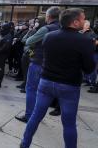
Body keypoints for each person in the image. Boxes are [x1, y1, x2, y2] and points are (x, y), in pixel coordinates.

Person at [20, 8, 95, 148]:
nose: (85, 21)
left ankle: (25, 144)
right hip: (69, 86)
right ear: (75, 22)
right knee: (69, 123)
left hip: (46, 82)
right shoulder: (85, 41)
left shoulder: (50, 36)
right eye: (83, 18)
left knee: (36, 116)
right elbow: (89, 69)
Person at [15, 6, 60, 123]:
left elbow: (29, 41)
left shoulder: (46, 29)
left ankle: (29, 115)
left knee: (31, 89)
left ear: (48, 16)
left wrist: (31, 34)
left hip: (39, 62)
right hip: (53, 65)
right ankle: (38, 116)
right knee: (44, 93)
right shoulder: (62, 28)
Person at [0, 23, 12, 88]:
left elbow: (5, 47)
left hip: (2, 55)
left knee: (0, 69)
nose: (1, 29)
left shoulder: (8, 36)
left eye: (3, 28)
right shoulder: (3, 35)